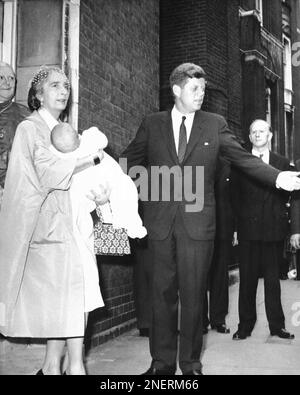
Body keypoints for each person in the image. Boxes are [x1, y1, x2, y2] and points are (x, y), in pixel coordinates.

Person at [121, 63, 300, 376]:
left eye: (203, 89)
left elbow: (243, 159)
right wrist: (110, 185)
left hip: (198, 226)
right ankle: (161, 364)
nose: (201, 95)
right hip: (160, 225)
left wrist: (277, 178)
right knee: (161, 296)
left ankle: (190, 365)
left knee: (192, 296)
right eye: (195, 89)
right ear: (176, 90)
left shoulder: (214, 124)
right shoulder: (152, 124)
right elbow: (129, 163)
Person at [0, 66, 106, 375]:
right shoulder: (30, 129)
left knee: (76, 295)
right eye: (55, 86)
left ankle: (52, 367)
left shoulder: (64, 129)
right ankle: (72, 368)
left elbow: (84, 179)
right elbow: (46, 174)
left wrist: (100, 194)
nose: (63, 91)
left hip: (75, 222)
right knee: (68, 297)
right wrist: (91, 158)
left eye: (66, 86)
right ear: (37, 95)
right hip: (49, 228)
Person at [231, 119, 294, 341]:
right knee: (247, 281)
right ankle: (245, 326)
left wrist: (292, 228)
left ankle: (277, 326)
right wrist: (237, 228)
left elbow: (291, 197)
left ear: (270, 135)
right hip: (248, 231)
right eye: (253, 132)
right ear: (249, 137)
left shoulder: (283, 163)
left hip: (273, 230)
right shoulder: (241, 163)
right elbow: (234, 197)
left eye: (262, 131)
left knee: (272, 281)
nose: (258, 135)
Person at [50, 123, 147, 239]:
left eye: (75, 145)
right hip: (92, 190)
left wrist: (92, 140)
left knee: (125, 194)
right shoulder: (61, 157)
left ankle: (131, 226)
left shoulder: (89, 138)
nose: (74, 150)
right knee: (83, 208)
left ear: (77, 135)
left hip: (113, 178)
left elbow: (103, 141)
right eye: (68, 150)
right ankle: (109, 226)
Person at [203, 158, 234, 335]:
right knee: (197, 273)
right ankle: (200, 321)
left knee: (220, 274)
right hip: (198, 226)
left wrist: (235, 228)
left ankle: (218, 319)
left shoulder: (228, 164)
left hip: (222, 226)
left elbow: (235, 198)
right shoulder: (197, 159)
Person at [0, 62, 29, 203]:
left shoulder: (26, 115)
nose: (7, 82)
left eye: (11, 78)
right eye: (1, 78)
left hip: (15, 193)